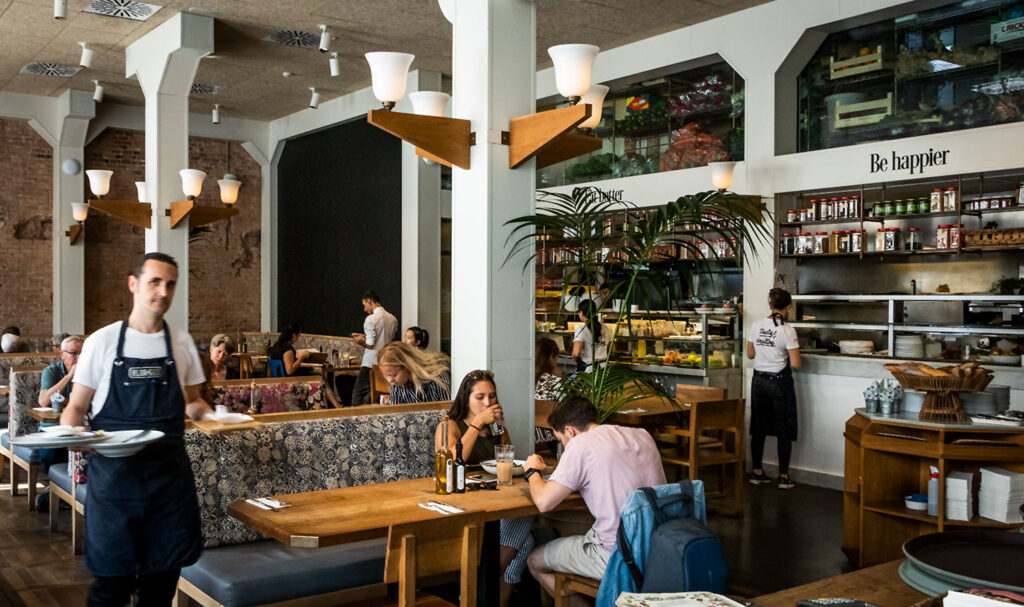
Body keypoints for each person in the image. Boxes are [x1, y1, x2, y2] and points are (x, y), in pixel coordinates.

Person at [61, 252, 214, 607]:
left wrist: (213, 416)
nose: (163, 291)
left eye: (170, 284)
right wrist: (75, 439)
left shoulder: (181, 343)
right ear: (133, 285)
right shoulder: (102, 342)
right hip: (115, 486)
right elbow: (75, 409)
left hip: (169, 487)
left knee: (160, 589)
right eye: (154, 282)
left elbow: (192, 402)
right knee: (110, 590)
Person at [524, 396, 666, 605]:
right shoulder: (641, 435)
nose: (563, 445)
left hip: (618, 554)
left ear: (570, 431)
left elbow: (544, 502)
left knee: (535, 560)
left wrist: (532, 472)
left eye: (561, 439)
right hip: (657, 546)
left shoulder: (581, 443)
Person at [434, 371, 529, 607]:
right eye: (480, 397)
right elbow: (450, 463)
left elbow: (507, 461)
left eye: (492, 397)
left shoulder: (496, 429)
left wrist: (498, 429)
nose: (488, 403)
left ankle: (485, 582)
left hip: (495, 501)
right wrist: (477, 423)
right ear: (466, 398)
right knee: (526, 540)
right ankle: (488, 580)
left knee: (527, 516)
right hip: (462, 502)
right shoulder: (448, 426)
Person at [746, 287, 801, 490]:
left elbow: (750, 354)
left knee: (758, 427)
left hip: (759, 381)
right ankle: (784, 475)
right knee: (783, 427)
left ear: (770, 305)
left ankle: (757, 471)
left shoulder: (756, 325)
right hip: (779, 383)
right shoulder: (788, 330)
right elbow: (795, 363)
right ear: (789, 306)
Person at [350, 291, 398, 404]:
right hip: (385, 362)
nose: (364, 309)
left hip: (370, 363)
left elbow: (371, 345)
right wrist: (364, 336)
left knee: (358, 396)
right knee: (376, 396)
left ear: (369, 301)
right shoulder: (393, 319)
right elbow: (383, 338)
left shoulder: (370, 319)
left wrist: (360, 342)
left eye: (364, 305)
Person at [378, 342, 451, 404]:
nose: (390, 380)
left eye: (394, 375)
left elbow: (446, 413)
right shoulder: (396, 386)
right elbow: (398, 417)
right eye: (387, 375)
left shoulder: (438, 378)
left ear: (408, 367)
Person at [38, 335, 83, 407]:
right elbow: (43, 401)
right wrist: (69, 376)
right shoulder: (51, 371)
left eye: (83, 353)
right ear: (62, 354)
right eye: (74, 353)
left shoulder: (91, 371)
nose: (79, 357)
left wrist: (63, 400)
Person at [572, 299, 610, 371]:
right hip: (604, 369)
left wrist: (578, 362)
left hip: (588, 371)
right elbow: (608, 349)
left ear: (581, 312)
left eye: (579, 312)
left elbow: (575, 353)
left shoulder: (581, 330)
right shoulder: (606, 329)